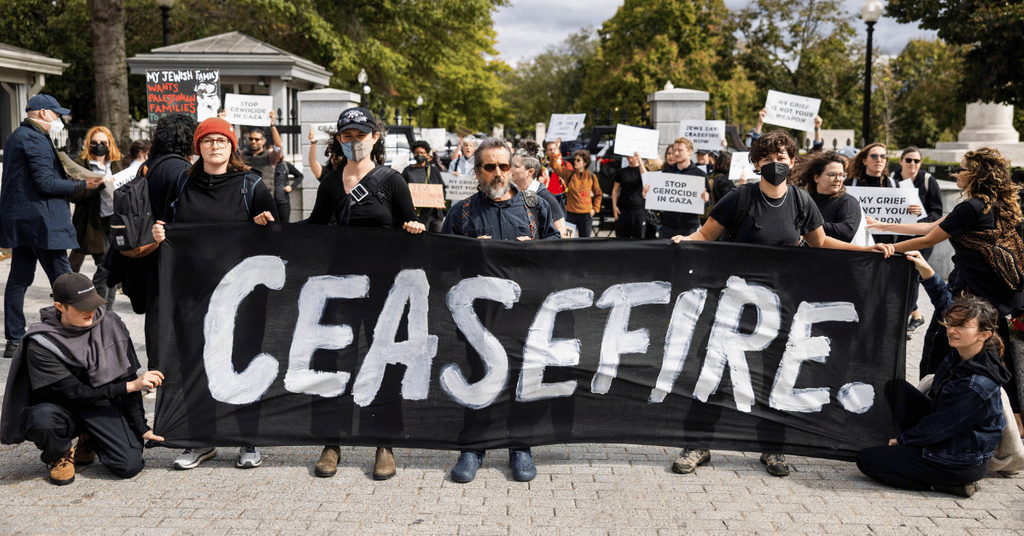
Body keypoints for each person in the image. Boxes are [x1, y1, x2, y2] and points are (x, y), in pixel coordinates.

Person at [671, 129, 885, 477]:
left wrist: (865, 251)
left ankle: (772, 448)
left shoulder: (802, 202)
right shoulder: (739, 199)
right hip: (734, 301)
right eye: (767, 159)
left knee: (776, 374)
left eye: (781, 159)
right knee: (714, 370)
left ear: (792, 162)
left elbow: (821, 243)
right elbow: (705, 235)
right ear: (756, 164)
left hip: (782, 304)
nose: (775, 165)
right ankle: (698, 444)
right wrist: (685, 240)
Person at [301, 107, 425, 480]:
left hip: (384, 288)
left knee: (383, 360)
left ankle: (383, 442)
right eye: (347, 135)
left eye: (361, 134)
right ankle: (331, 442)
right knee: (332, 360)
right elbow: (314, 228)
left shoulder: (392, 181)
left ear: (375, 138)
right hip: (340, 286)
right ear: (339, 140)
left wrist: (415, 227)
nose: (354, 141)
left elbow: (410, 221)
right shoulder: (330, 181)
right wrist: (269, 228)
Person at [150, 117, 278, 471]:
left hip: (241, 296)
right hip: (192, 291)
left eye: (222, 140)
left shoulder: (250, 185)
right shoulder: (181, 183)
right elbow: (165, 224)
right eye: (208, 141)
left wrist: (266, 226)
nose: (215, 146)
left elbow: (278, 234)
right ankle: (199, 440)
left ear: (232, 146)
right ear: (198, 147)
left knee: (242, 360)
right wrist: (160, 234)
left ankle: (247, 439)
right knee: (194, 364)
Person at [868, 147, 1024, 417]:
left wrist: (887, 249)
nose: (956, 174)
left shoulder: (972, 207)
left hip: (977, 297)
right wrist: (883, 225)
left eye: (961, 169)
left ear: (976, 174)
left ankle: (927, 408)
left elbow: (929, 239)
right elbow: (937, 225)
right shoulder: (993, 203)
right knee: (998, 357)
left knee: (941, 350)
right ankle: (1014, 422)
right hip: (1002, 295)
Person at [440, 137, 560, 483]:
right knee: (479, 376)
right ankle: (474, 447)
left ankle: (519, 445)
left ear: (512, 169)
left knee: (523, 375)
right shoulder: (461, 211)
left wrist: (537, 246)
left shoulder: (536, 206)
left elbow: (557, 243)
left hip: (525, 310)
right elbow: (442, 255)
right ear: (477, 171)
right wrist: (467, 250)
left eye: (503, 166)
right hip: (478, 316)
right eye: (489, 166)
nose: (497, 173)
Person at [0, 273, 165, 485]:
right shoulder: (42, 342)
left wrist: (141, 426)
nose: (90, 311)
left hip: (100, 404)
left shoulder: (111, 324)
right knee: (41, 419)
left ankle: (90, 437)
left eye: (93, 303)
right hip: (62, 408)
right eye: (81, 306)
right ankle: (60, 454)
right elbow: (75, 392)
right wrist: (130, 386)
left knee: (128, 466)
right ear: (60, 306)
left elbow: (128, 376)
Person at [856, 293, 1009, 498]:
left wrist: (903, 440)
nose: (952, 330)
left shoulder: (976, 385)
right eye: (951, 323)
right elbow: (942, 418)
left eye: (962, 326)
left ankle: (947, 486)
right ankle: (910, 453)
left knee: (867, 460)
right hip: (952, 433)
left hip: (960, 460)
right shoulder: (963, 354)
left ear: (985, 334)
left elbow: (940, 425)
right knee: (897, 388)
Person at [1, 95, 105, 359]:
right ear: (44, 113)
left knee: (19, 279)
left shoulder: (20, 135)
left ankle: (14, 339)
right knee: (65, 279)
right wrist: (83, 184)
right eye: (57, 114)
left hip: (24, 221)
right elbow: (46, 184)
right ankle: (78, 332)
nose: (59, 119)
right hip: (42, 222)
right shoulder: (33, 138)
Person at [890, 147, 944, 334]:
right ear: (901, 161)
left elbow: (937, 213)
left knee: (911, 275)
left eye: (917, 161)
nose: (913, 164)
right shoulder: (891, 180)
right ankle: (917, 316)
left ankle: (902, 323)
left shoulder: (929, 181)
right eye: (909, 160)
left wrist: (921, 216)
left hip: (921, 239)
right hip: (898, 236)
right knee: (899, 278)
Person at [68, 126, 124, 308]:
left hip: (114, 219)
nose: (99, 146)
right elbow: (73, 195)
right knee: (104, 266)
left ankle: (108, 310)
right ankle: (100, 308)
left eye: (103, 143)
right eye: (95, 142)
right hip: (93, 223)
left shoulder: (115, 163)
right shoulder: (81, 164)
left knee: (113, 266)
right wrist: (99, 184)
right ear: (88, 144)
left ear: (110, 144)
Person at [792, 151, 861, 242]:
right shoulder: (805, 200)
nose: (838, 179)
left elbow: (847, 231)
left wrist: (807, 226)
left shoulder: (848, 201)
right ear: (816, 178)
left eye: (841, 175)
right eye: (832, 175)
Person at [242, 114, 293, 222]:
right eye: (251, 139)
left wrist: (272, 125)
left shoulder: (270, 157)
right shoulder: (243, 155)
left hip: (265, 200)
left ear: (263, 141)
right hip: (246, 199)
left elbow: (278, 146)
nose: (253, 141)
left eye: (257, 139)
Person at [510, 143, 567, 237]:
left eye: (515, 166)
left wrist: (537, 247)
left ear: (530, 172)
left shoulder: (546, 198)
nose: (510, 169)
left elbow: (561, 233)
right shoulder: (513, 193)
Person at [660, 137, 709, 238]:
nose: (676, 153)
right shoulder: (666, 172)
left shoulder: (700, 175)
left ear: (690, 151)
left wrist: (705, 199)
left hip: (689, 227)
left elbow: (708, 201)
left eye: (680, 150)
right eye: (674, 150)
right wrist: (647, 193)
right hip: (667, 226)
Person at [549, 145, 601, 238]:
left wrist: (595, 209)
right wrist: (556, 151)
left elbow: (598, 194)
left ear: (585, 163)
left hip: (586, 215)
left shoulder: (591, 176)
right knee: (569, 241)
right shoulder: (569, 174)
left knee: (585, 244)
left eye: (578, 160)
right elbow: (555, 166)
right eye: (575, 160)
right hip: (571, 214)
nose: (575, 162)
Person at [402, 140, 447, 232]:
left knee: (437, 240)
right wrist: (409, 204)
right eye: (416, 153)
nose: (419, 155)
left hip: (435, 215)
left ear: (427, 155)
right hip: (418, 215)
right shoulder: (408, 171)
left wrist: (442, 200)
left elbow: (443, 188)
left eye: (421, 153)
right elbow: (402, 192)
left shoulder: (433, 171)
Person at [611, 151, 648, 239]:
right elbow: (615, 190)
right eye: (628, 157)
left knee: (639, 238)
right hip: (623, 209)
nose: (630, 159)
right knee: (622, 238)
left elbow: (646, 179)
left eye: (633, 157)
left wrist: (640, 161)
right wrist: (614, 207)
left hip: (639, 209)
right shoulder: (621, 172)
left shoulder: (642, 170)